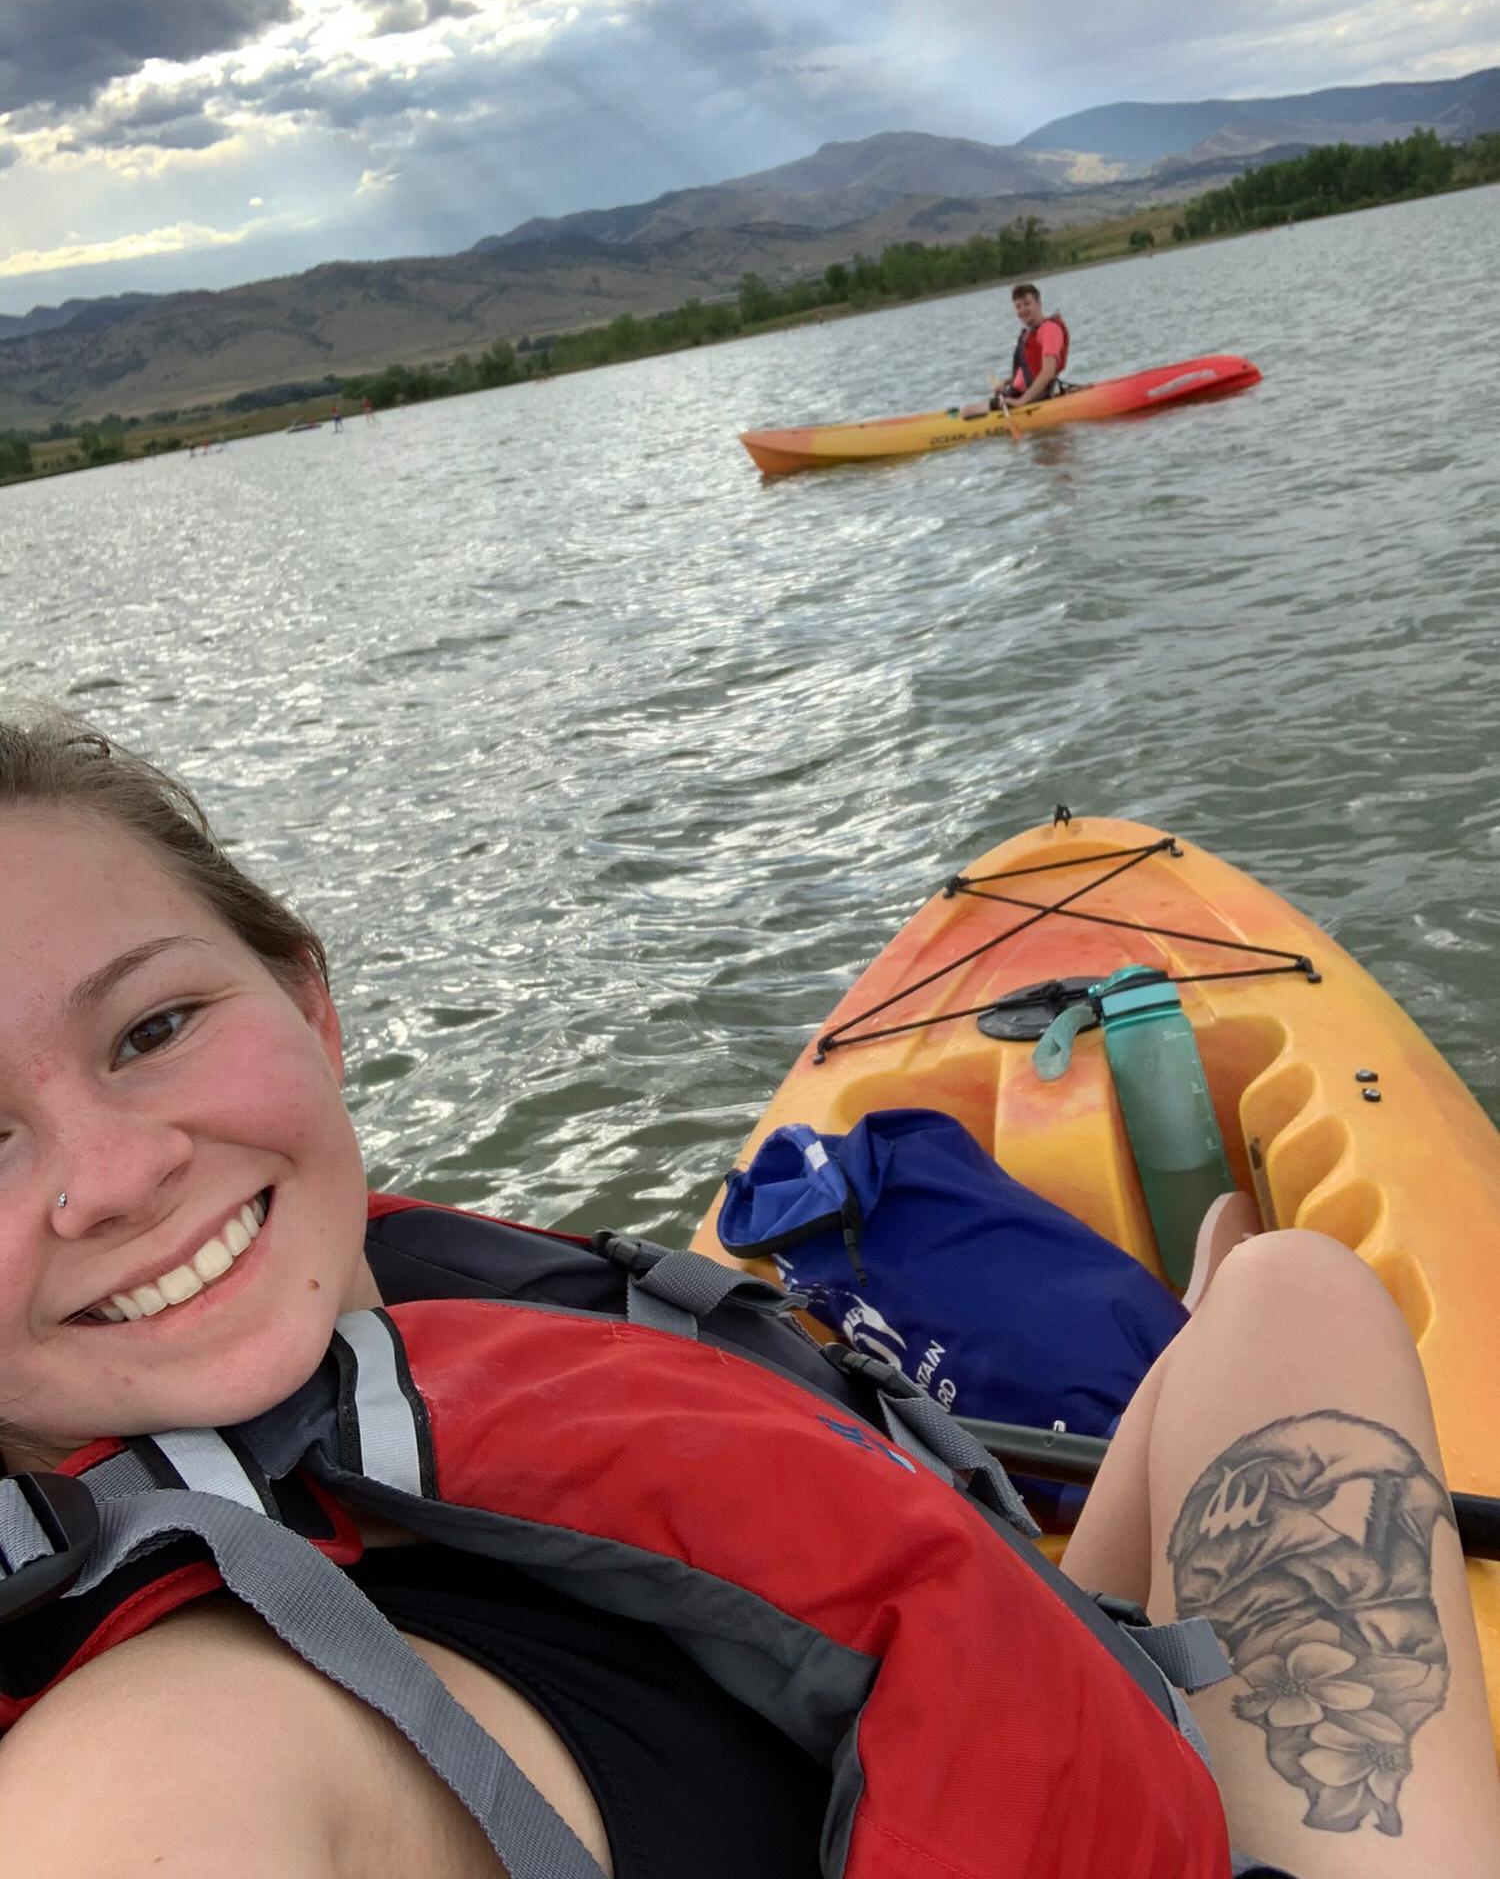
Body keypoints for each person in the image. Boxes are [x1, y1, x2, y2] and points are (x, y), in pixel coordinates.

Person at [0, 710, 1497, 1879]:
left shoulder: (411, 1311)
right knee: (1289, 1303)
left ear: (308, 1003)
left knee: (1283, 1291)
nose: (117, 1179)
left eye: (156, 1025)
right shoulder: (166, 1745)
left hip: (1077, 1723)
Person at [994, 281, 1070, 408]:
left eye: (1027, 304)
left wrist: (1021, 402)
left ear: (1038, 304)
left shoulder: (1049, 329)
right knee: (967, 411)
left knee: (967, 412)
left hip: (1031, 398)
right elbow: (1030, 370)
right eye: (1018, 306)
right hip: (1017, 395)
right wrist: (1007, 382)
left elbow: (1048, 372)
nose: (1022, 310)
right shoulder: (1030, 333)